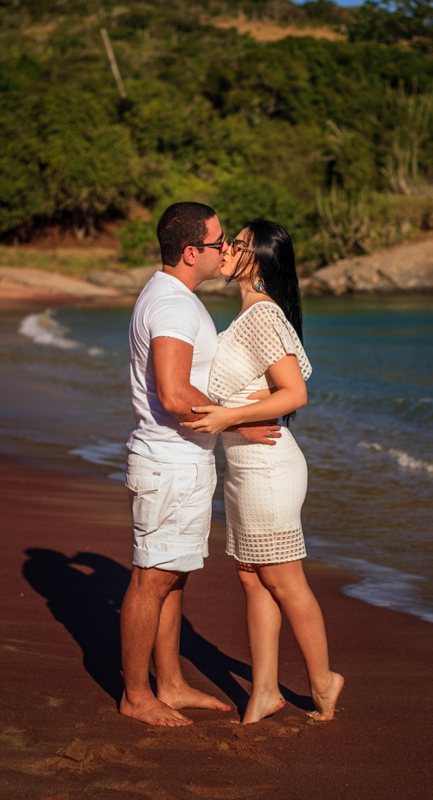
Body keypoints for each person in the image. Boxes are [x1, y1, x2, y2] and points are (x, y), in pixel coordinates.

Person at [120, 202, 279, 727]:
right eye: (218, 242)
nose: (225, 249)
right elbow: (173, 394)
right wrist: (238, 423)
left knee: (172, 576)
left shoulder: (172, 297)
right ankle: (136, 694)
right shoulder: (173, 306)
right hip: (170, 464)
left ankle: (169, 683)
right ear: (191, 253)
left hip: (179, 461)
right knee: (152, 579)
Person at [185, 220, 344, 724]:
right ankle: (265, 691)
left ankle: (323, 681)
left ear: (258, 260)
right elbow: (258, 389)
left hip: (270, 468)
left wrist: (227, 417)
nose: (227, 249)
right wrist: (236, 414)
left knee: (282, 578)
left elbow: (295, 393)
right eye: (229, 241)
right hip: (244, 466)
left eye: (238, 244)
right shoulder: (246, 316)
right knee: (252, 577)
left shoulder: (262, 316)